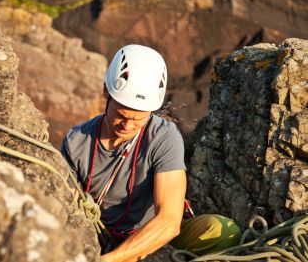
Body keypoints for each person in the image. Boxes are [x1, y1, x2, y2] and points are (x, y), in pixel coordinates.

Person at [61, 44, 240, 262]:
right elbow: (64, 205)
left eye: (138, 119)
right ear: (106, 92)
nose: (127, 126)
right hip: (98, 234)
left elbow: (169, 221)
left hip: (151, 236)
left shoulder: (163, 137)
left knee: (222, 230)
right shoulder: (76, 140)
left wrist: (109, 260)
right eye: (121, 115)